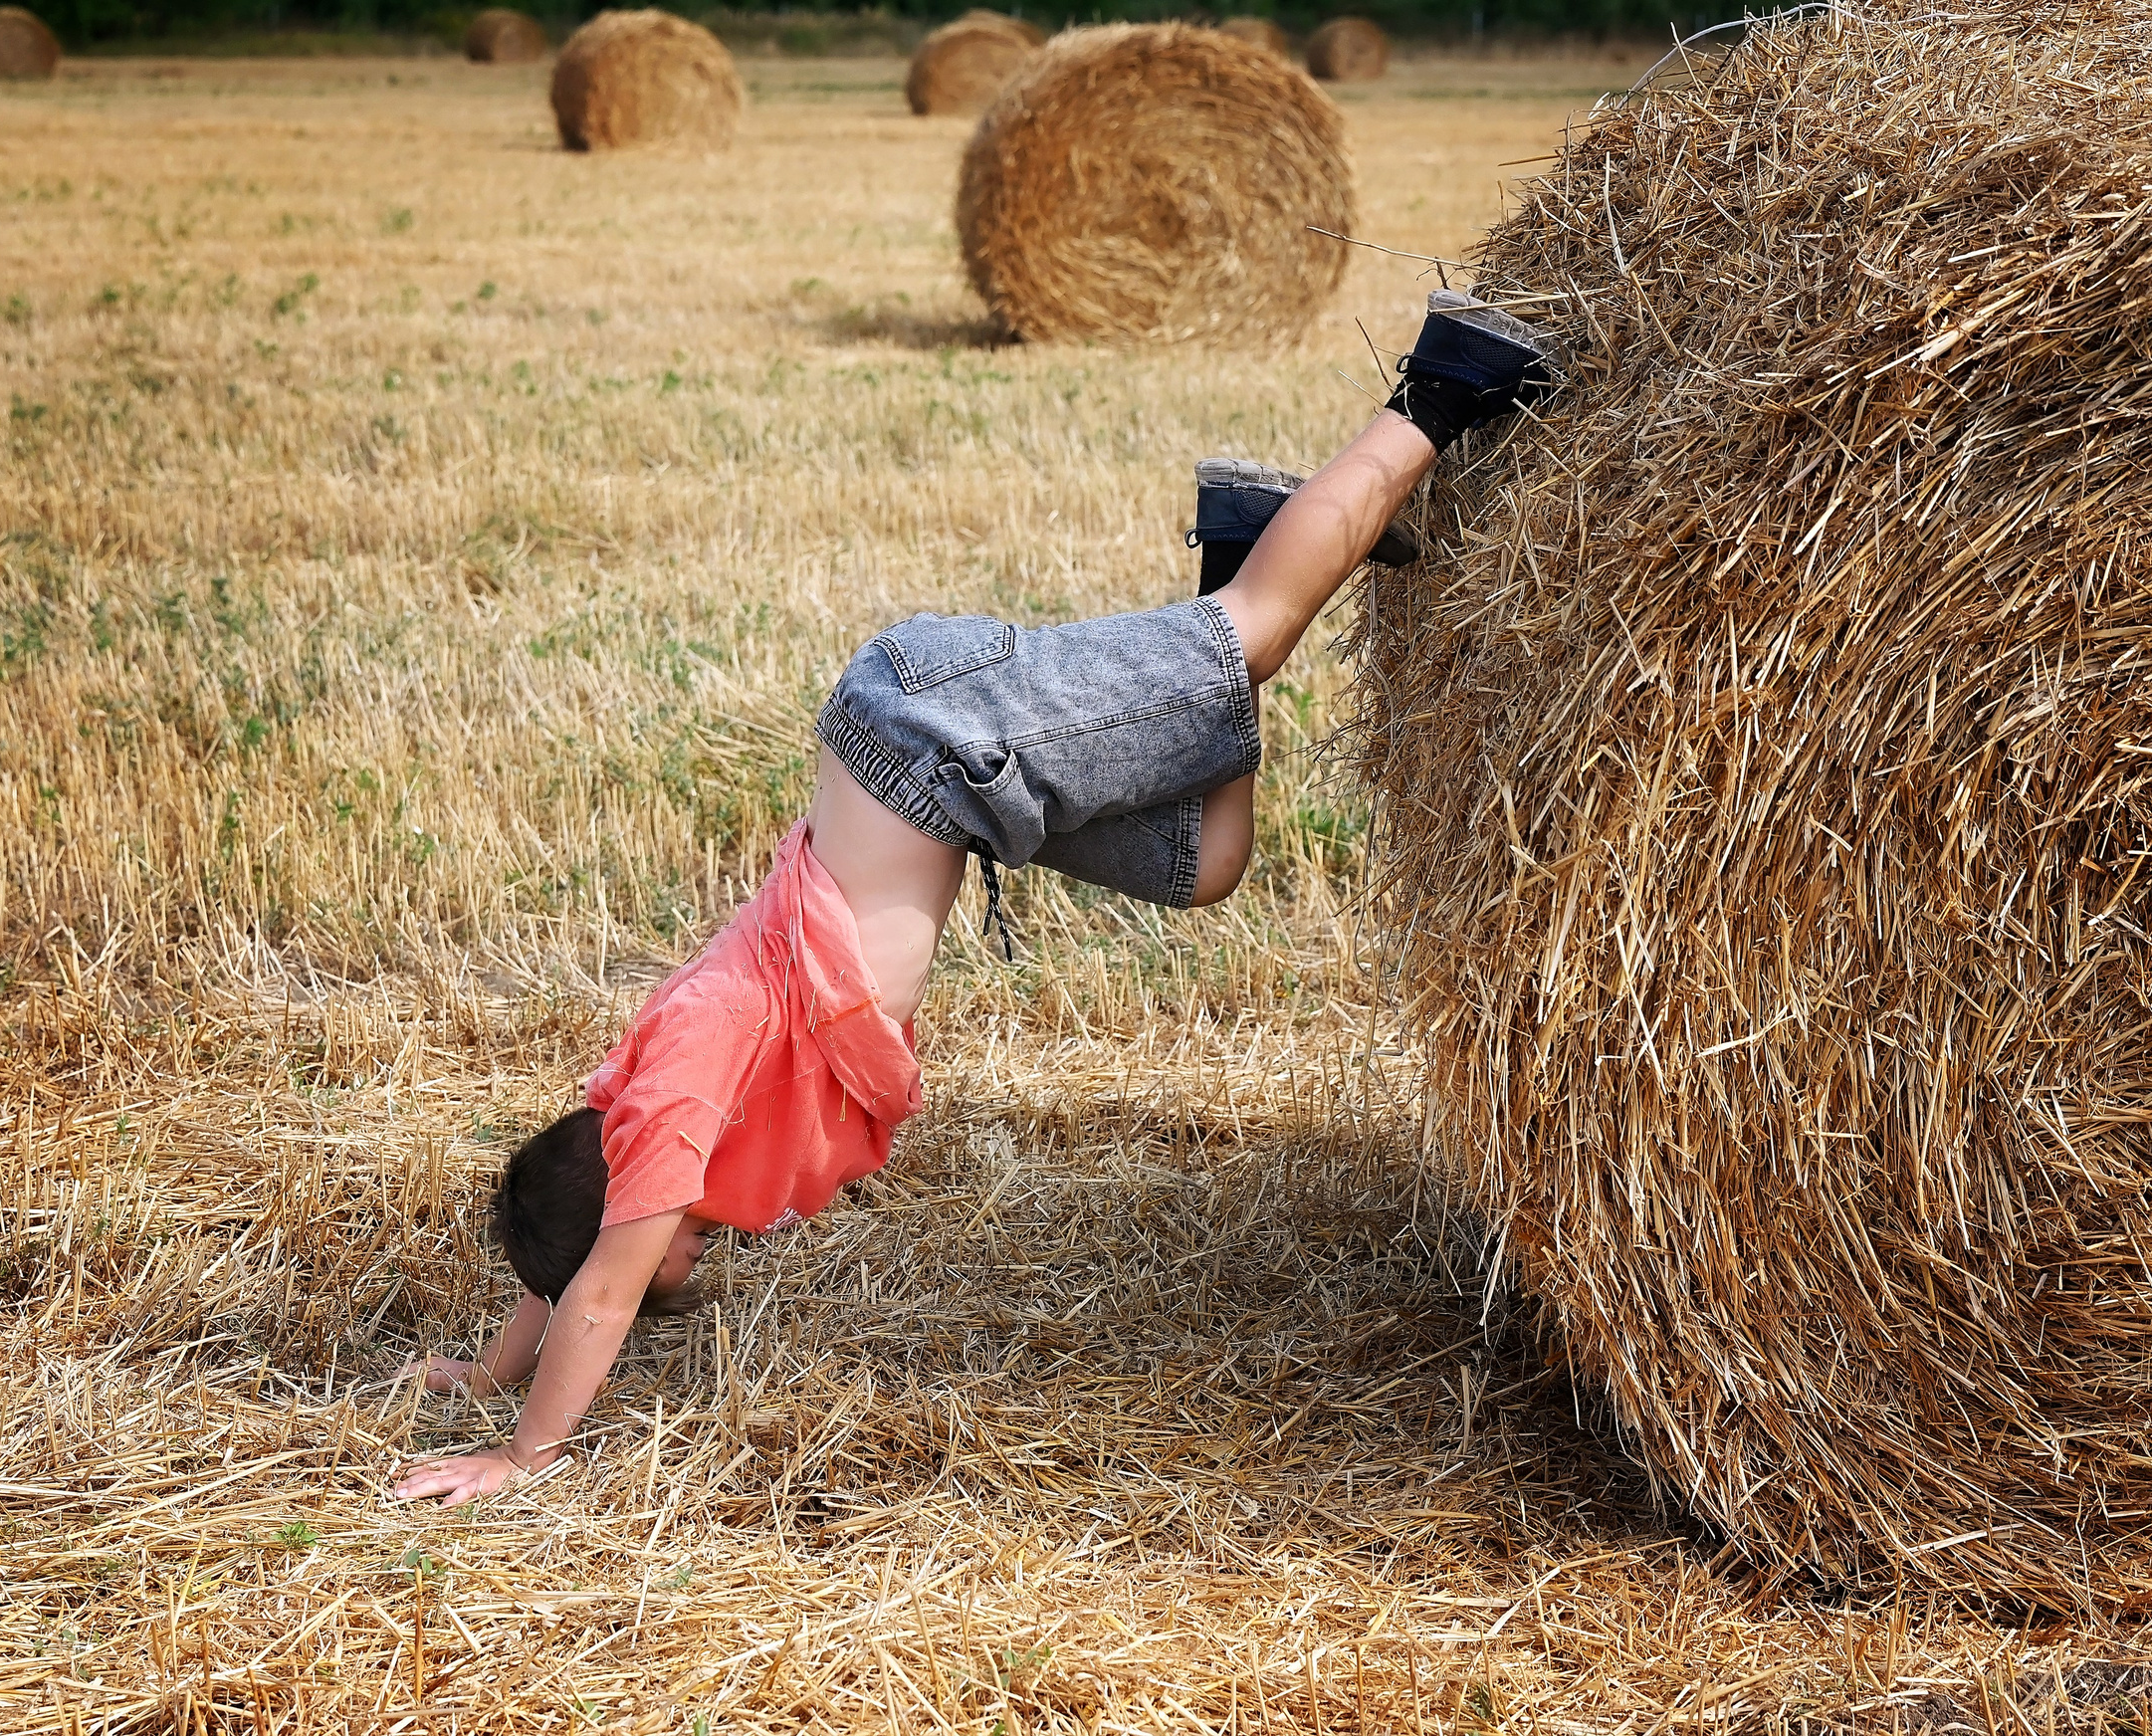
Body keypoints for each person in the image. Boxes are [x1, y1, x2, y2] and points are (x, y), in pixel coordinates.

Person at [389, 289, 1558, 1505]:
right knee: (1204, 862)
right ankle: (1247, 532)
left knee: (1249, 636)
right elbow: (567, 1250)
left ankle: (1447, 375)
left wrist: (520, 1454)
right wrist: (487, 1367)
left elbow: (600, 1282)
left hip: (930, 738)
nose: (698, 1252)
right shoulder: (622, 1124)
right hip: (947, 785)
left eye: (677, 1247)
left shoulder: (670, 1106)